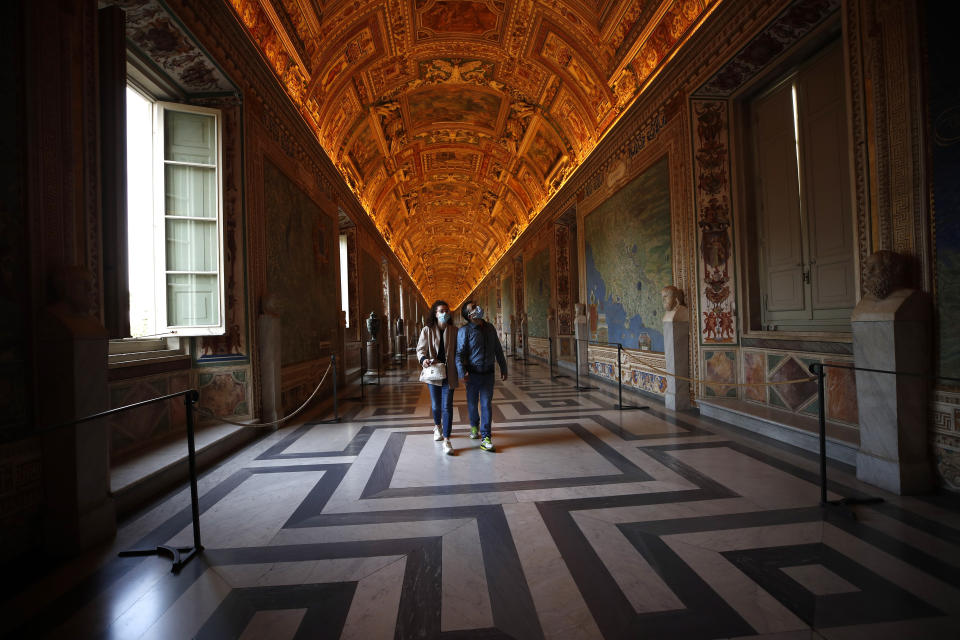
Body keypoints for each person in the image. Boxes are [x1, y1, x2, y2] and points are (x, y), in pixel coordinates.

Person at [456, 300, 508, 452]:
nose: (478, 308)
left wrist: (503, 367)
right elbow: (459, 354)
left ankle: (486, 437)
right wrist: (462, 371)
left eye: (477, 305)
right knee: (472, 404)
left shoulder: (490, 328)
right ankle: (474, 426)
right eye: (473, 308)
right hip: (472, 374)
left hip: (488, 373)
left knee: (486, 404)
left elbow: (498, 349)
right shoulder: (464, 331)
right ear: (469, 315)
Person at [417, 300, 459, 455]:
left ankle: (447, 440)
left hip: (450, 373)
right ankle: (438, 426)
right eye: (441, 311)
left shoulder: (454, 330)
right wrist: (423, 359)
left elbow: (459, 352)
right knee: (436, 405)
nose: (444, 313)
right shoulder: (427, 330)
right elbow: (420, 349)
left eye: (447, 311)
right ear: (435, 313)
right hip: (434, 372)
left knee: (447, 406)